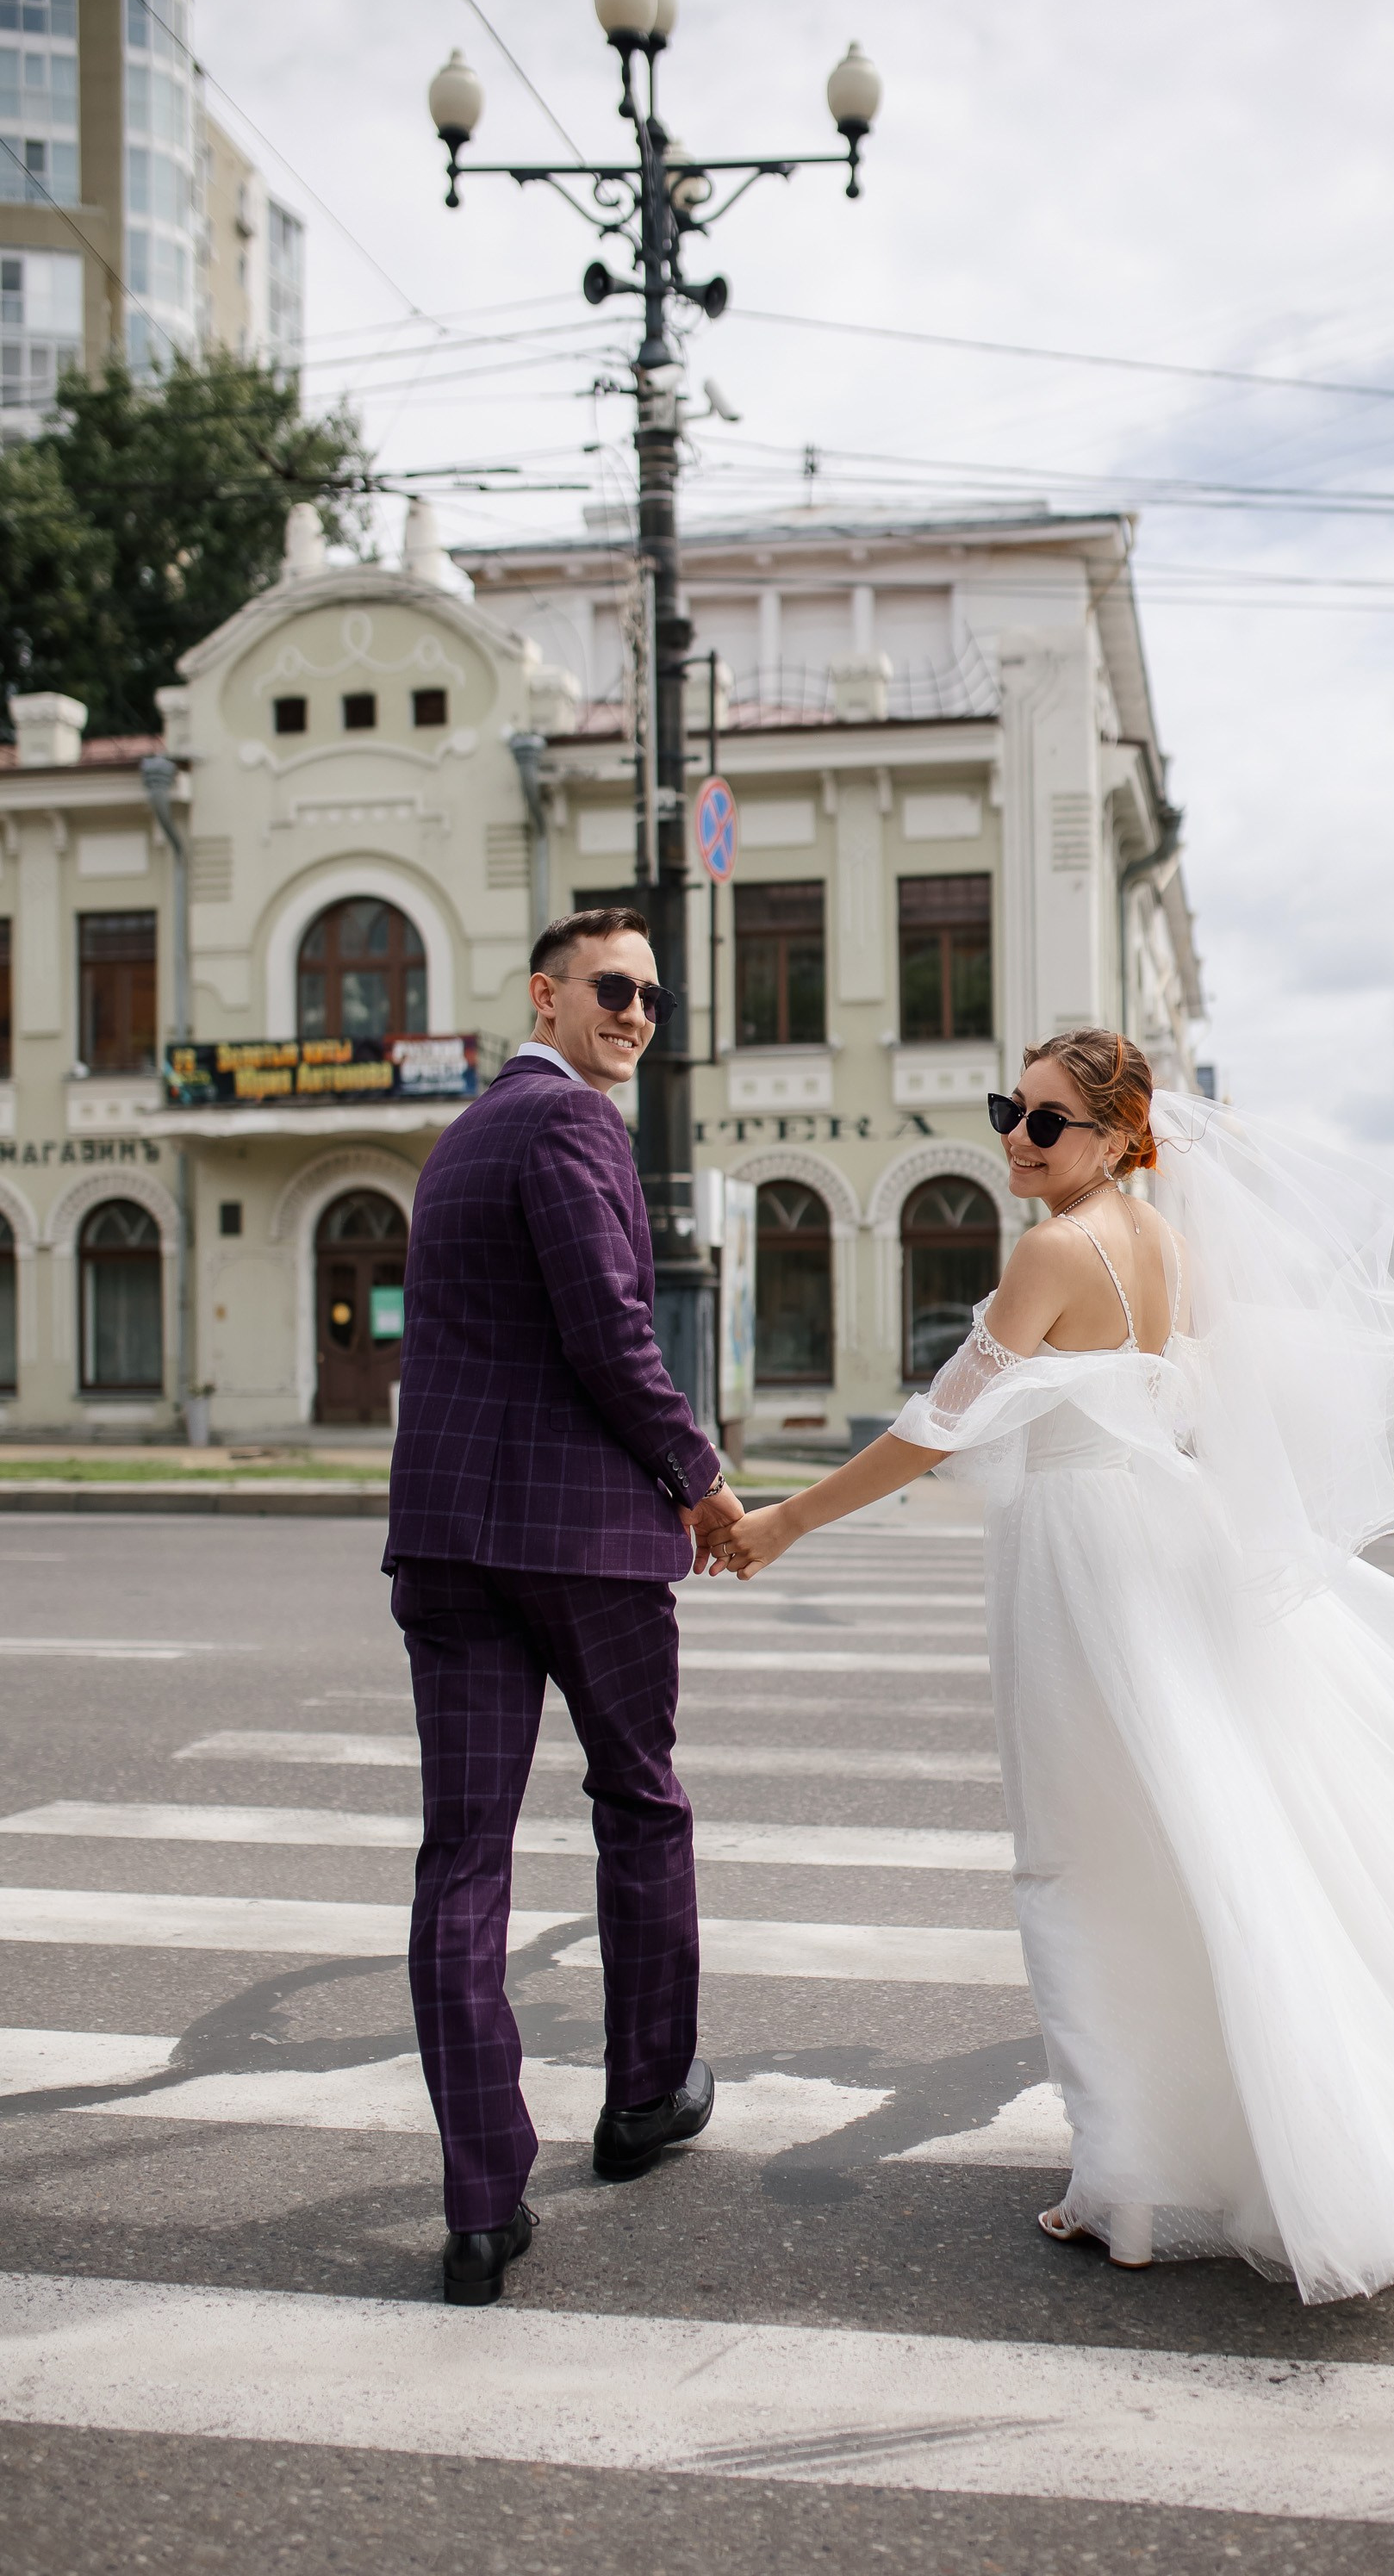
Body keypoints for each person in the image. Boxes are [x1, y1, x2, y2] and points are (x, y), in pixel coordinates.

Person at [717, 1029, 1394, 2304]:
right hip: (1158, 1534)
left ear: (1116, 1136)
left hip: (1081, 1551)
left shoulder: (1054, 1250)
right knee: (1197, 1828)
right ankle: (1232, 2143)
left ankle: (1130, 2183)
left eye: (1046, 1121)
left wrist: (782, 1521)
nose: (1016, 1134)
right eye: (1011, 1108)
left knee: (1081, 1852)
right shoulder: (1163, 1244)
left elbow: (937, 1424)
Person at [386, 905, 744, 2306]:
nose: (637, 1014)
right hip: (585, 1545)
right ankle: (645, 2098)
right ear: (546, 997)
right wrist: (701, 1483)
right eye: (612, 988)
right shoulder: (578, 1127)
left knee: (461, 1864)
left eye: (652, 995)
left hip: (450, 1544)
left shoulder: (463, 1137)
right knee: (641, 1801)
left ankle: (482, 2205)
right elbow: (611, 1334)